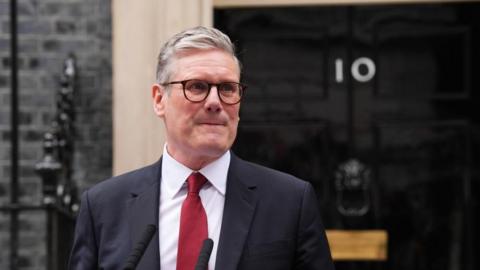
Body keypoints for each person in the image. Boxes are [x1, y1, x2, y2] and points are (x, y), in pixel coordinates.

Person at [68, 26, 334, 270]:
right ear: (160, 100)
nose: (215, 102)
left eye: (228, 88)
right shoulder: (104, 206)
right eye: (197, 87)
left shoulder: (290, 202)